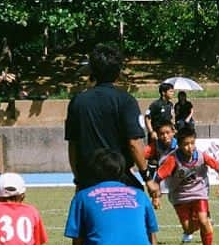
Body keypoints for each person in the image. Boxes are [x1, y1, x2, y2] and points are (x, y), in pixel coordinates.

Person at [65, 43, 158, 196]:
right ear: (118, 72)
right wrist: (147, 178)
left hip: (89, 183)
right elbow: (134, 143)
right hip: (120, 180)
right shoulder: (126, 100)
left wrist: (78, 180)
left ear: (92, 71)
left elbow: (73, 145)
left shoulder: (77, 102)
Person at [155, 127, 219, 245]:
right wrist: (156, 197)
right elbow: (158, 177)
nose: (190, 147)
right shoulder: (172, 159)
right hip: (179, 196)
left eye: (192, 143)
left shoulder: (201, 156)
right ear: (179, 144)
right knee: (188, 229)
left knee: (203, 220)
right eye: (186, 144)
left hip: (199, 193)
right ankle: (205, 222)